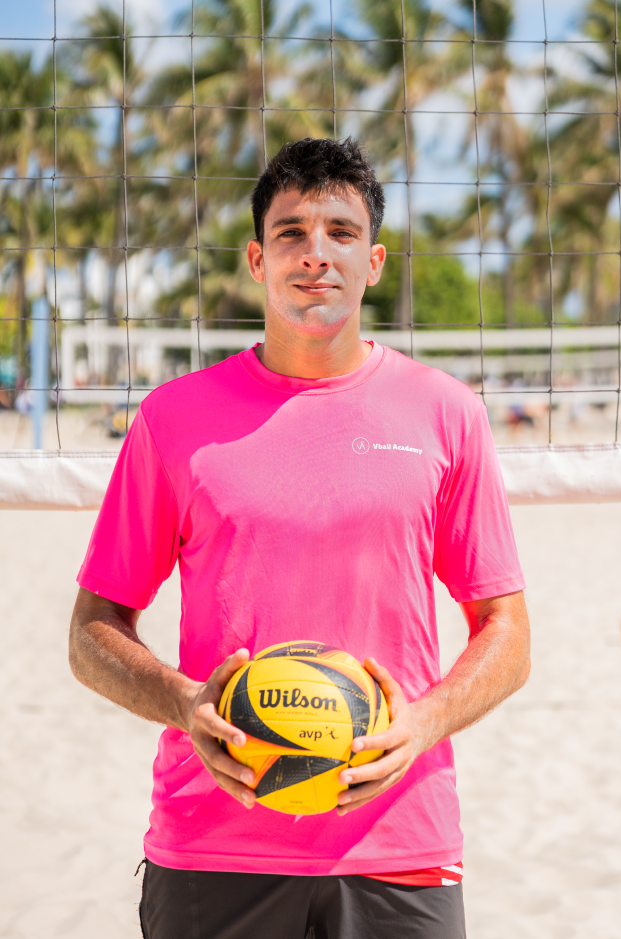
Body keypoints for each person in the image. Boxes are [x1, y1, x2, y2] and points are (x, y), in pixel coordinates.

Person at [69, 137, 530, 939]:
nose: (316, 253)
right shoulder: (173, 419)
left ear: (374, 262)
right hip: (213, 846)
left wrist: (423, 722)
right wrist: (185, 702)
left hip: (398, 846)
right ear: (257, 258)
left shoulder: (448, 413)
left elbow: (508, 631)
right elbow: (90, 631)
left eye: (341, 232)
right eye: (291, 232)